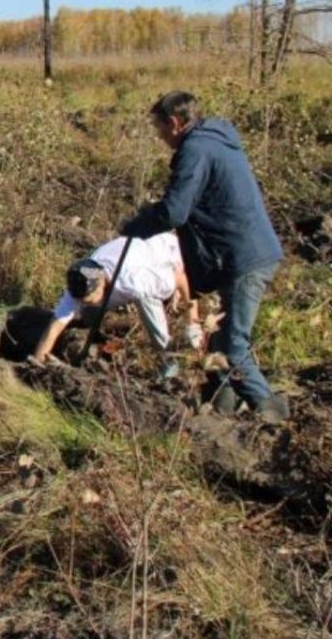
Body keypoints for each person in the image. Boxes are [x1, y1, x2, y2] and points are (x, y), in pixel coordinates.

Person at [121, 90, 288, 420]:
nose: (160, 136)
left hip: (243, 258)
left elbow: (175, 212)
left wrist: (138, 225)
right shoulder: (215, 141)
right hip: (244, 253)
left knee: (233, 345)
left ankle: (272, 414)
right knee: (219, 343)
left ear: (175, 123)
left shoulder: (195, 149)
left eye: (159, 129)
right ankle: (220, 408)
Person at [31, 232, 201, 378]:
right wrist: (36, 365)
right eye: (81, 300)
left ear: (102, 283)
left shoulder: (135, 280)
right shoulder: (81, 282)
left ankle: (168, 360)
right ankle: (93, 341)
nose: (83, 302)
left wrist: (192, 322)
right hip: (132, 260)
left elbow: (180, 277)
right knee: (87, 315)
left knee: (144, 298)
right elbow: (54, 327)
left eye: (88, 299)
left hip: (170, 254)